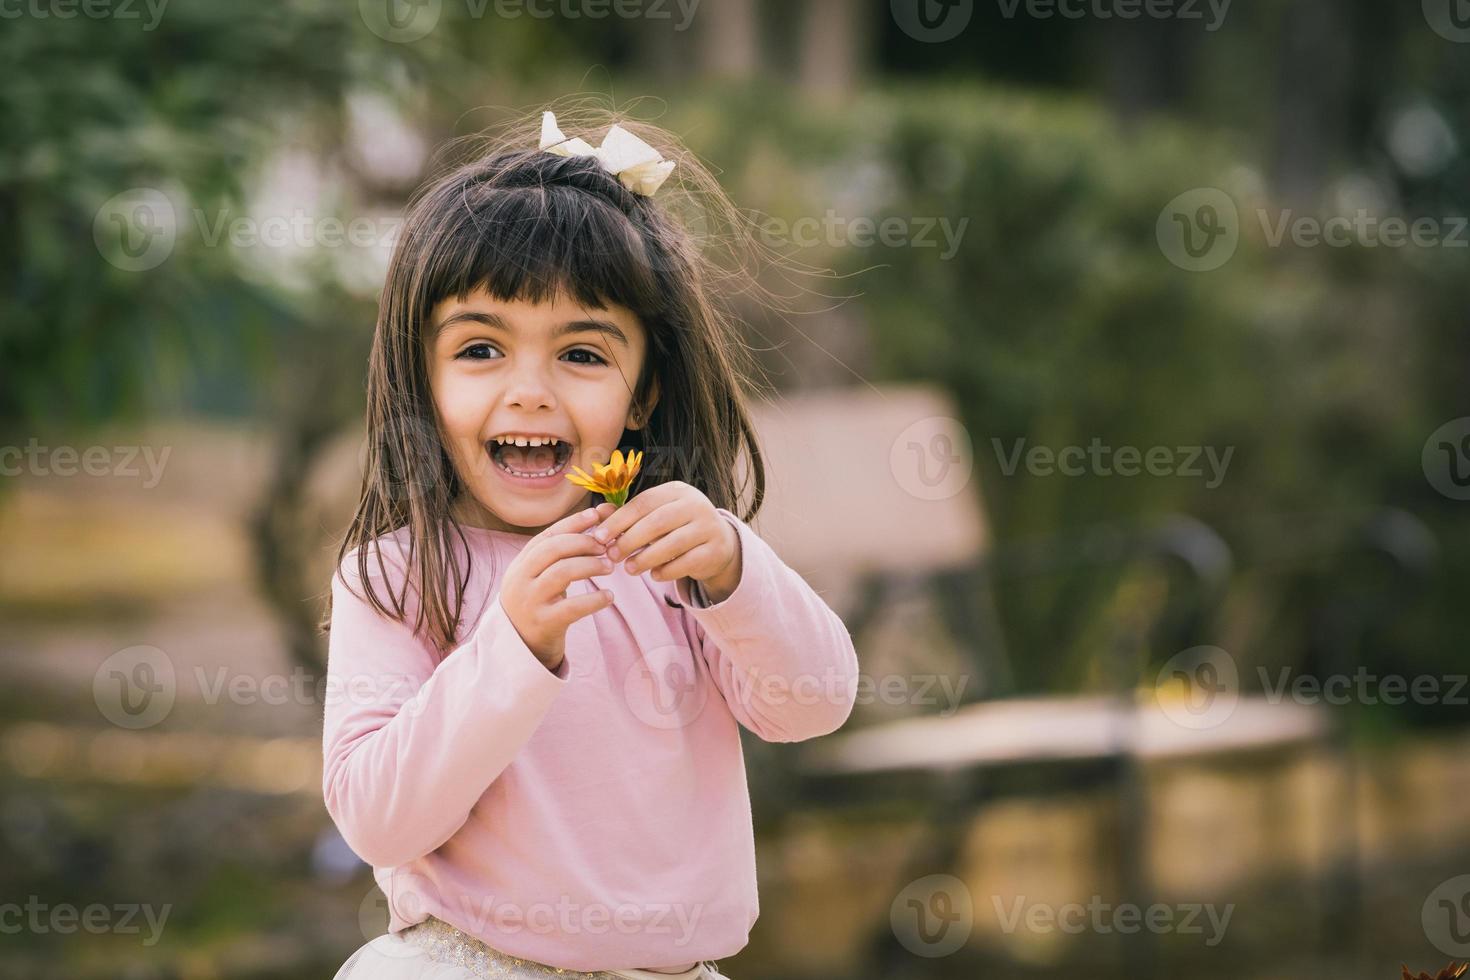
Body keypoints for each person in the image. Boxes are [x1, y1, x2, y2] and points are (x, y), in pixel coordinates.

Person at [321, 104, 861, 980]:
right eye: (482, 349)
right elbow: (378, 821)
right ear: (422, 379)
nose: (530, 392)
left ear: (642, 396)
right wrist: (515, 645)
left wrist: (732, 565)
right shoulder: (395, 575)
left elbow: (815, 701)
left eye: (581, 354)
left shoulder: (671, 561)